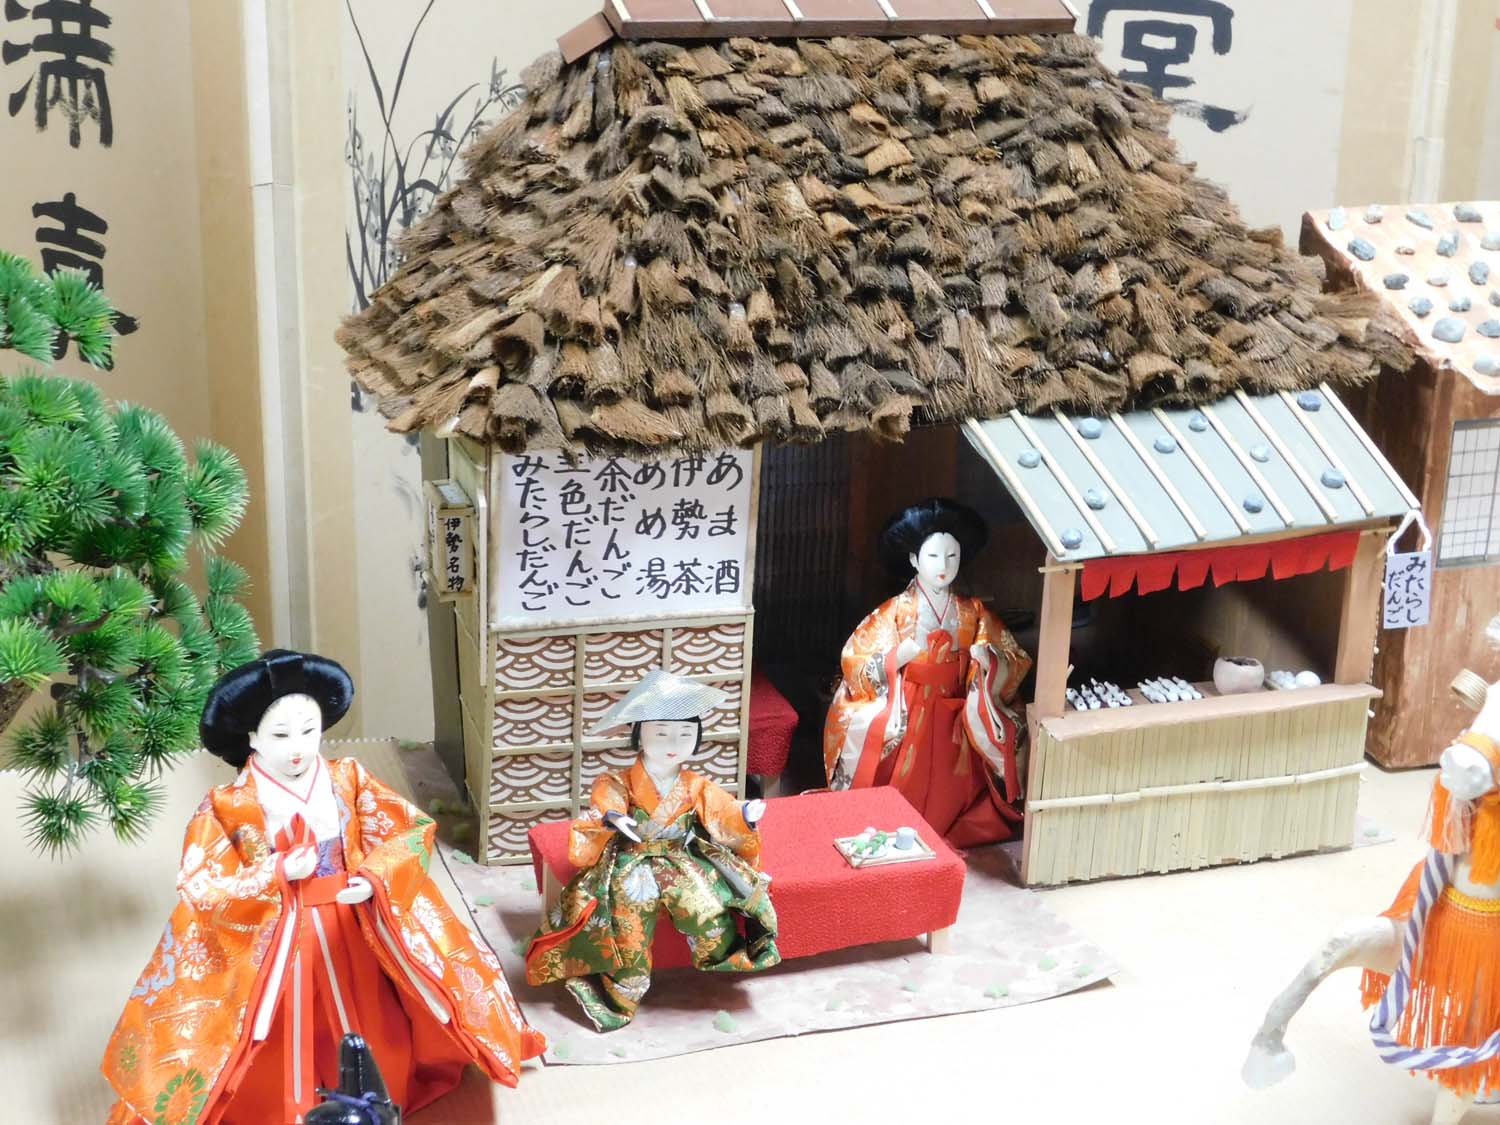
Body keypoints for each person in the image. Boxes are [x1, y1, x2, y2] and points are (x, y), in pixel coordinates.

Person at [102, 650, 546, 1125]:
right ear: (252, 737)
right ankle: (280, 1105)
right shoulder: (229, 804)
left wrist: (373, 878)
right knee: (272, 1024)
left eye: (309, 731)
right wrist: (274, 872)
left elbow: (407, 831)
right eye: (280, 735)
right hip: (276, 932)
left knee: (370, 1013)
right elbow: (200, 881)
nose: (297, 747)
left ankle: (373, 1097)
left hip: (349, 919)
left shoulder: (347, 777)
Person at [525, 669, 780, 1031]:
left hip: (679, 858)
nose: (673, 743)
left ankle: (727, 956)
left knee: (706, 909)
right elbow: (604, 806)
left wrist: (743, 815)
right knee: (628, 916)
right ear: (639, 734)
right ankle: (617, 995)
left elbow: (722, 812)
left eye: (685, 734)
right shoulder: (619, 781)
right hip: (632, 860)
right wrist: (613, 819)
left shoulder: (695, 785)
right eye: (661, 733)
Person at [823, 498, 1032, 848]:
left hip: (955, 704)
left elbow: (1014, 656)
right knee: (907, 775)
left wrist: (989, 660)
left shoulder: (972, 610)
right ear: (913, 559)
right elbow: (856, 658)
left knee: (955, 779)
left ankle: (953, 825)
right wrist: (894, 658)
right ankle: (897, 824)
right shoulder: (896, 610)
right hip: (910, 702)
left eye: (952, 556)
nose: (943, 566)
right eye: (933, 556)